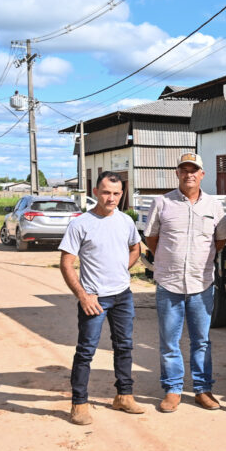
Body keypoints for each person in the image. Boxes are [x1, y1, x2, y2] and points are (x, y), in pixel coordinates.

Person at [143, 152, 226, 413]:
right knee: (169, 341)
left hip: (201, 285)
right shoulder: (162, 203)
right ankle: (173, 389)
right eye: (184, 170)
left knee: (201, 341)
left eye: (194, 170)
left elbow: (220, 241)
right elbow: (151, 238)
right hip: (169, 283)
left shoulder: (214, 206)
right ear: (177, 173)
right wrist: (169, 259)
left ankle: (203, 389)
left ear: (202, 174)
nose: (189, 174)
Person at [59, 172, 144, 426]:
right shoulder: (81, 224)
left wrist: (121, 271)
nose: (111, 198)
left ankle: (124, 396)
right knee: (86, 351)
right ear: (95, 192)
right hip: (95, 299)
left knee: (124, 346)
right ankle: (79, 403)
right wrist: (83, 295)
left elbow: (136, 248)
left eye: (116, 193)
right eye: (106, 192)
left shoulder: (125, 221)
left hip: (123, 296)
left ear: (122, 194)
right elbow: (66, 263)